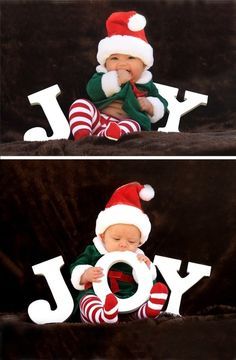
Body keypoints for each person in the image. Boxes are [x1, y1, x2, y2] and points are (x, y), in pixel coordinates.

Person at [70, 182, 169, 324]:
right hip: (98, 296)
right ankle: (103, 316)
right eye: (116, 238)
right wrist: (85, 274)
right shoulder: (94, 250)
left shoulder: (137, 256)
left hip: (130, 296)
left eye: (131, 241)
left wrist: (146, 267)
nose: (123, 244)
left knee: (140, 305)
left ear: (139, 242)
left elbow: (147, 280)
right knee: (87, 301)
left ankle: (148, 310)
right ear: (103, 236)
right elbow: (76, 266)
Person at [68, 11, 168, 141]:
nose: (121, 64)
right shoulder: (102, 76)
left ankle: (108, 136)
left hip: (124, 124)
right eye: (114, 58)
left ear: (144, 65)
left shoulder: (146, 84)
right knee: (80, 104)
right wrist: (114, 80)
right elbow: (92, 91)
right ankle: (83, 137)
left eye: (131, 57)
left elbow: (163, 103)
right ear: (106, 63)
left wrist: (151, 106)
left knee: (134, 125)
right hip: (99, 119)